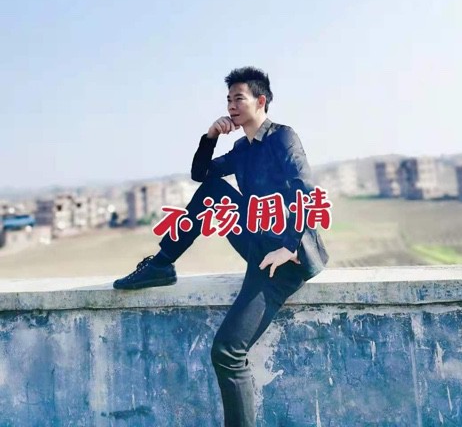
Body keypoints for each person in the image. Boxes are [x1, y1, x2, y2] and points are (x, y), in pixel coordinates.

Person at [113, 66, 329, 426]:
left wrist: (290, 246)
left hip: (284, 259)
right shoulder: (242, 148)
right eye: (228, 99)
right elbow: (200, 174)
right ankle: (162, 264)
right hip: (258, 240)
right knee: (212, 190)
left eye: (238, 98)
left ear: (261, 101)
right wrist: (210, 135)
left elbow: (304, 191)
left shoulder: (283, 137)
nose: (231, 105)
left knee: (227, 352)